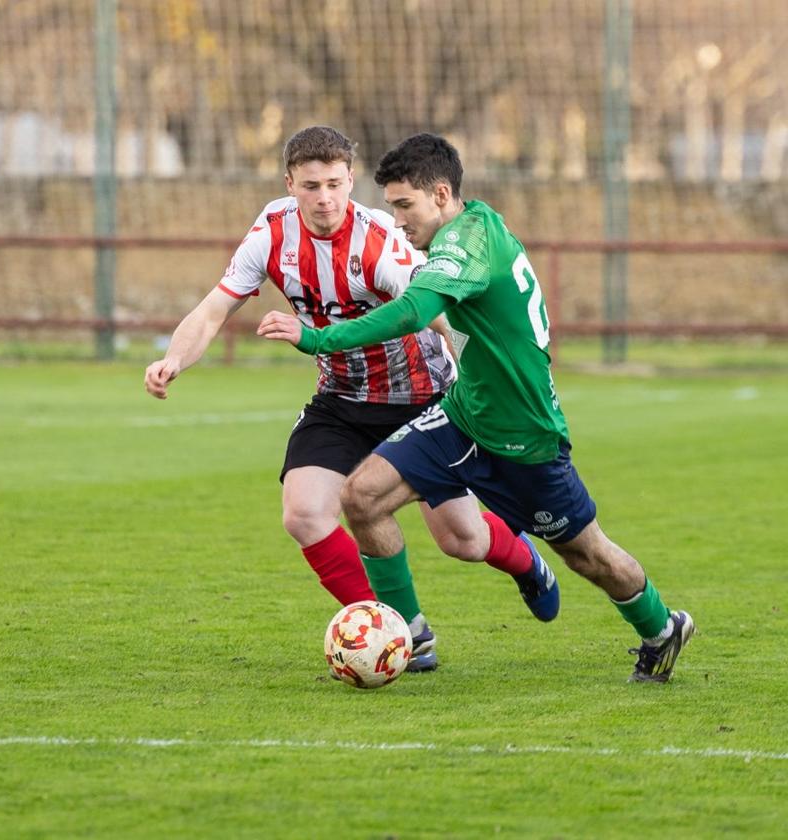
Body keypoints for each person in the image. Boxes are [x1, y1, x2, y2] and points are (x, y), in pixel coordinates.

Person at [257, 133, 694, 682]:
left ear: (441, 194)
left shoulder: (468, 244)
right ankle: (407, 636)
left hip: (523, 435)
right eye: (391, 206)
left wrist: (318, 338)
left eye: (404, 205)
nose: (396, 221)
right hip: (464, 414)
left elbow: (415, 311)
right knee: (363, 496)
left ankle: (661, 627)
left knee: (588, 556)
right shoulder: (471, 225)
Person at [145, 126, 559, 672]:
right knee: (304, 513)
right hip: (339, 399)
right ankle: (403, 632)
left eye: (335, 185)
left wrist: (477, 385)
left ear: (350, 181)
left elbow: (443, 319)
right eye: (311, 185)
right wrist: (174, 358)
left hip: (419, 398)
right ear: (289, 183)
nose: (324, 198)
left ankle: (528, 562)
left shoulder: (382, 241)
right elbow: (213, 310)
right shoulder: (270, 234)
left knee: (463, 538)